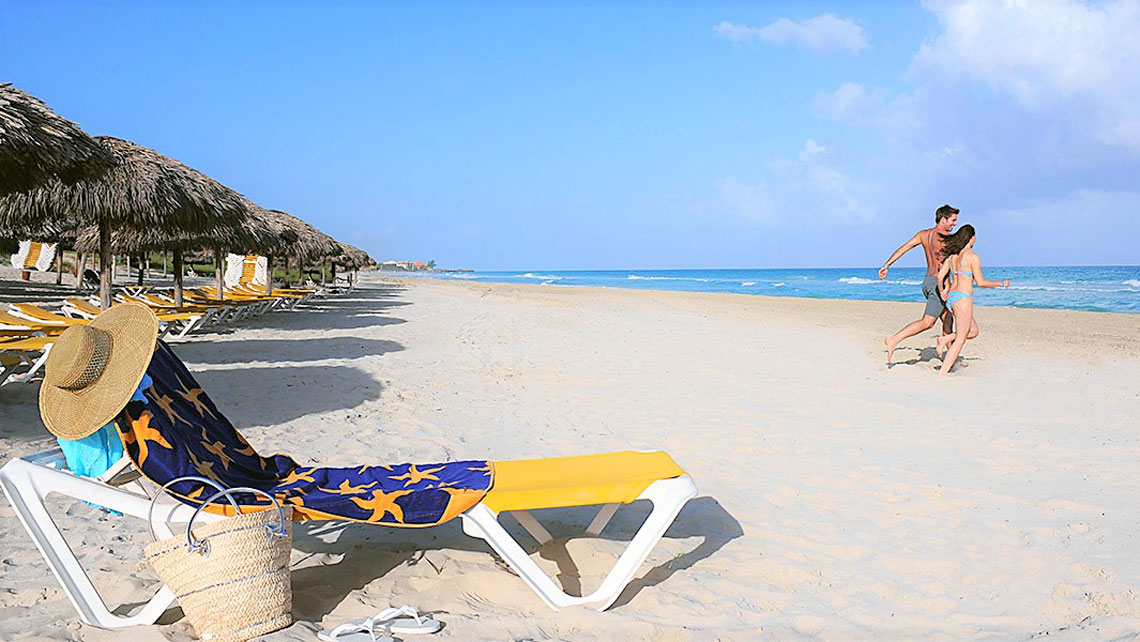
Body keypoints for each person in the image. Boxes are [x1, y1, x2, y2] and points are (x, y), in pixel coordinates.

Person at [880, 204, 959, 364]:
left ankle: (952, 359)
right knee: (927, 322)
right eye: (952, 220)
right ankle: (894, 339)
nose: (954, 224)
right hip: (939, 285)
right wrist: (948, 287)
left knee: (947, 320)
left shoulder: (924, 234)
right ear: (943, 219)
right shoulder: (948, 239)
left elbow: (905, 247)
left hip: (927, 282)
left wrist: (887, 264)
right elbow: (950, 265)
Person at [933, 225, 1009, 375]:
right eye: (975, 236)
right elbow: (981, 282)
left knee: (973, 331)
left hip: (952, 299)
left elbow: (940, 277)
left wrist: (943, 291)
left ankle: (945, 339)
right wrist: (1001, 283)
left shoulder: (952, 257)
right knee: (961, 339)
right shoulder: (973, 257)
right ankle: (942, 373)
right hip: (963, 299)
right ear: (970, 238)